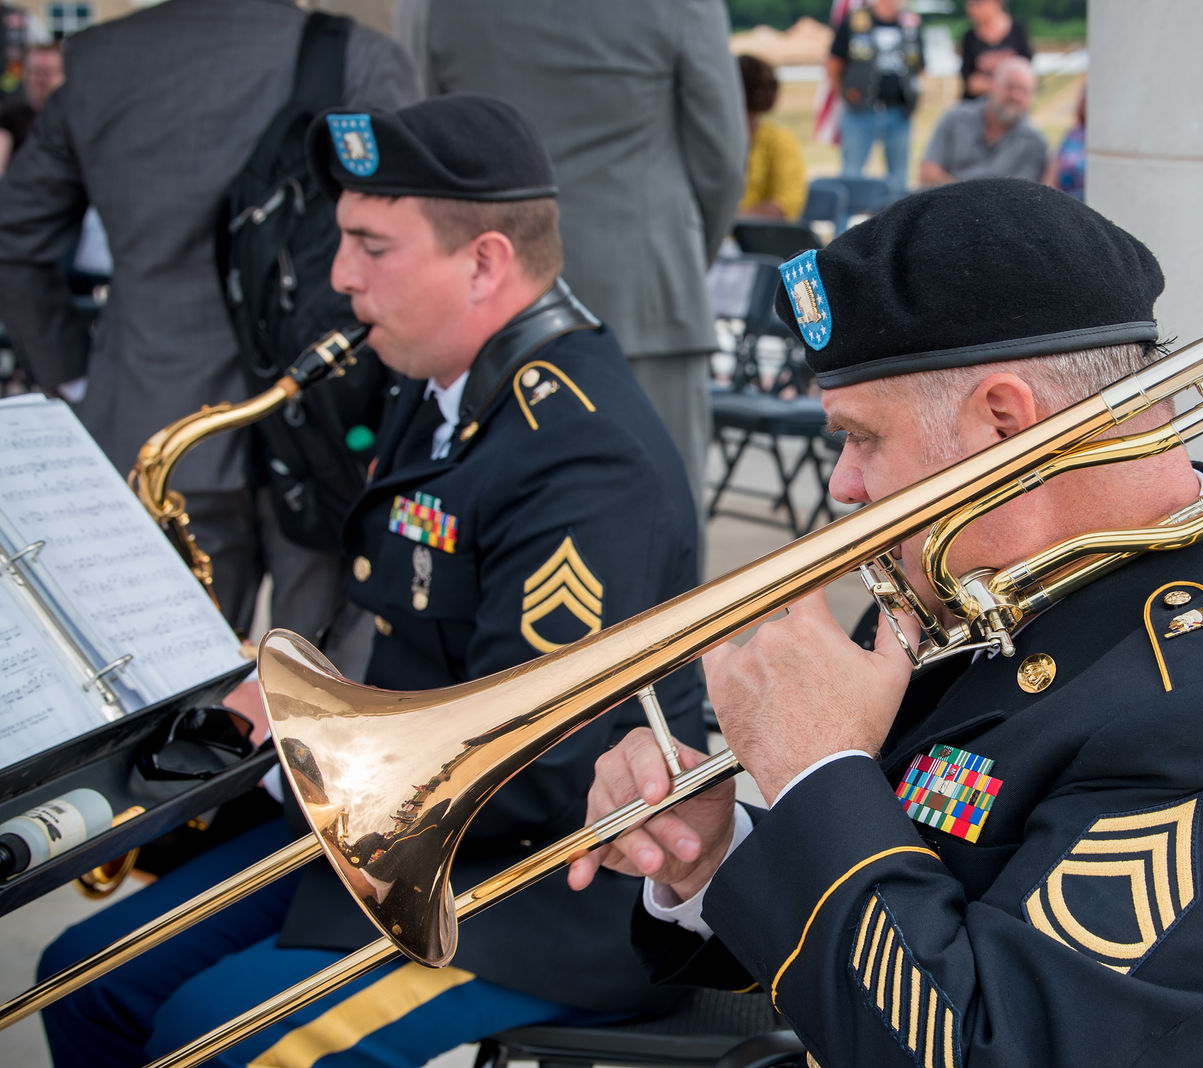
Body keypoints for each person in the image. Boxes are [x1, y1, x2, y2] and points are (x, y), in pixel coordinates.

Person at [571, 178, 1203, 1067]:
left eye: (863, 437)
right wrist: (718, 852)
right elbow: (909, 916)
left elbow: (973, 1047)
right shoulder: (1001, 595)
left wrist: (820, 774)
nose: (843, 485)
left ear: (1004, 425)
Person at [37, 94, 708, 1068]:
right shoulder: (442, 386)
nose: (339, 276)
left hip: (537, 887)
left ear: (484, 262)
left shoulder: (580, 456)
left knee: (207, 1039)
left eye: (371, 246)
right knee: (77, 978)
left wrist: (298, 747)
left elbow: (533, 773)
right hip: (402, 840)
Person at [0, 0, 417, 662]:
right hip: (331, 416)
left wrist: (75, 375)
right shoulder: (358, 56)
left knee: (171, 688)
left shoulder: (101, 58)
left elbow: (16, 238)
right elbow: (410, 235)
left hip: (151, 409)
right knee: (322, 689)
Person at [418, 0, 746, 541]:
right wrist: (679, 258)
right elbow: (723, 161)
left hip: (492, 302)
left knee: (499, 530)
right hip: (645, 296)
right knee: (659, 537)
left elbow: (431, 149)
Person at [829, 0, 924, 199]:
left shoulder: (911, 23)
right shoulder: (856, 20)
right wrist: (845, 95)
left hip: (899, 111)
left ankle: (898, 218)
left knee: (899, 179)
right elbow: (835, 62)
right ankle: (848, 217)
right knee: (852, 175)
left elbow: (919, 66)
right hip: (860, 111)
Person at [919, 55, 1051, 187]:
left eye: (1023, 90)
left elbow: (1025, 192)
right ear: (993, 84)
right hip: (947, 199)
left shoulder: (1035, 143)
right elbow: (928, 172)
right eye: (1010, 86)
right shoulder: (955, 119)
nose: (1015, 96)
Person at [738, 53, 807, 221]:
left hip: (757, 236)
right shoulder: (704, 142)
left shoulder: (778, 141)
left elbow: (784, 206)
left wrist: (729, 221)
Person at [0, 41, 61, 172]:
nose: (41, 79)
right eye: (35, 71)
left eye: (48, 72)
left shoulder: (76, 120)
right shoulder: (9, 118)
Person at [960, 0, 1033, 100]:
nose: (971, 10)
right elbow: (971, 83)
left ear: (996, 3)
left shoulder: (1018, 31)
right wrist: (1006, 85)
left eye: (977, 3)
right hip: (977, 103)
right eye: (969, 4)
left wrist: (987, 84)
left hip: (1012, 102)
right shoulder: (969, 37)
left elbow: (1026, 75)